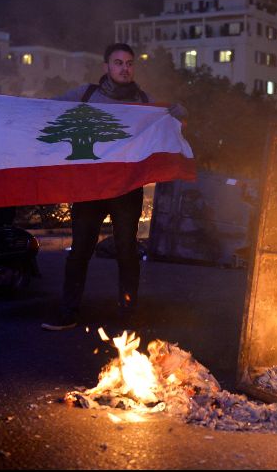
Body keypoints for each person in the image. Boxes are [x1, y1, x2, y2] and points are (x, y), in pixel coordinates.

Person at [42, 43, 187, 331]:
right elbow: (46, 109)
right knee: (80, 251)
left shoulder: (144, 102)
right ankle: (68, 312)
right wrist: (3, 108)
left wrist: (177, 112)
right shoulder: (85, 95)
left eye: (129, 63)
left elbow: (169, 121)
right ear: (106, 67)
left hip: (126, 191)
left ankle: (128, 314)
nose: (125, 68)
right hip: (89, 190)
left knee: (127, 252)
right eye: (118, 63)